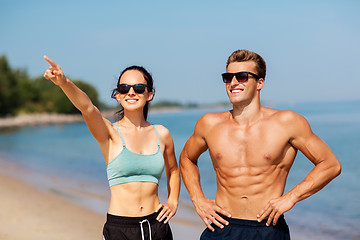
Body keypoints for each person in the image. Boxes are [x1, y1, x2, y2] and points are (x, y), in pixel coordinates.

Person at [179, 49, 341, 240]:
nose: (233, 83)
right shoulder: (209, 123)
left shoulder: (287, 122)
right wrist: (198, 199)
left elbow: (330, 165)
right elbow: (187, 158)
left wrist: (291, 197)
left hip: (268, 228)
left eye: (242, 77)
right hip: (221, 227)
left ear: (260, 83)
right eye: (228, 77)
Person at [43, 56, 180, 240]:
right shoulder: (109, 133)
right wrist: (64, 82)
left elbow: (174, 170)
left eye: (138, 88)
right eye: (124, 88)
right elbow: (88, 108)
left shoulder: (162, 134)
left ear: (149, 94)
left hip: (157, 226)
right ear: (118, 94)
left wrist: (173, 201)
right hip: (120, 229)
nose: (131, 92)